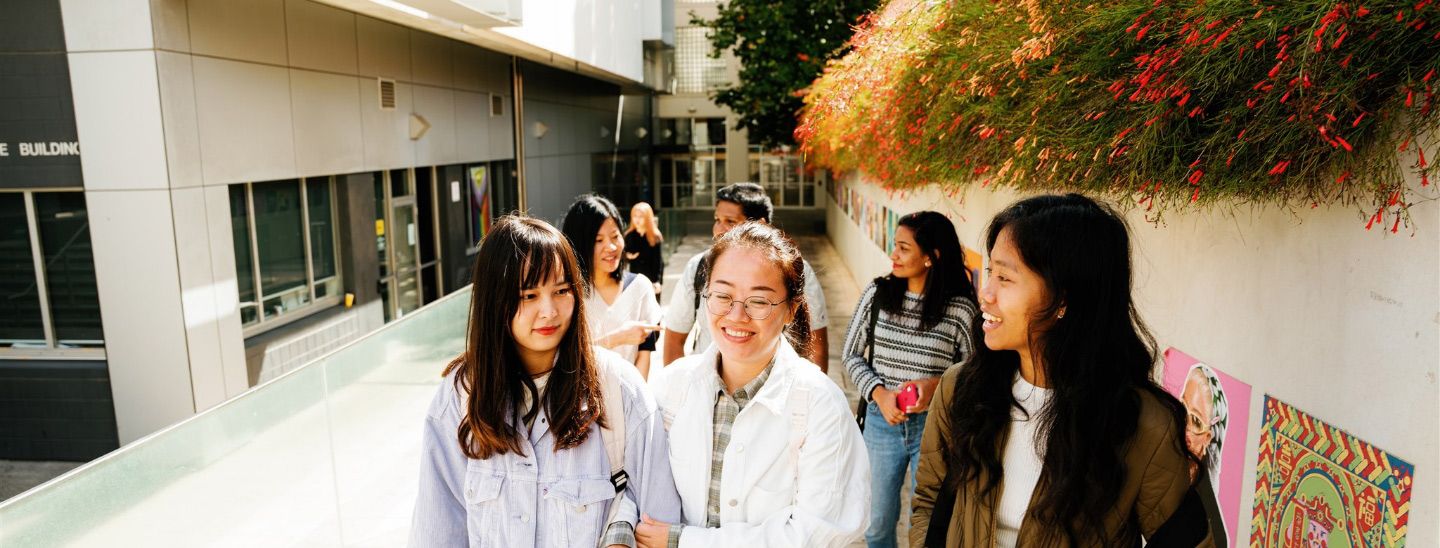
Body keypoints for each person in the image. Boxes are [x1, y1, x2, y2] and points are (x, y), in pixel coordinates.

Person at [911, 194, 1213, 547]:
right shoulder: (962, 389)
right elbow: (930, 503)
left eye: (1005, 278)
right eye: (991, 271)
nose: (985, 293)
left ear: (1064, 299)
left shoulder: (1142, 425)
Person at [410, 216, 681, 547]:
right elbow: (438, 529)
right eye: (528, 295)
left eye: (562, 291)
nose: (549, 311)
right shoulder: (462, 395)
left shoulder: (619, 388)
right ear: (495, 301)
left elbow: (660, 518)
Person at [635, 222, 868, 547]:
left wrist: (683, 541)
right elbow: (633, 485)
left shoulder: (820, 405)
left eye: (759, 301)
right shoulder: (671, 388)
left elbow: (816, 535)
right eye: (723, 295)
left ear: (791, 310)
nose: (736, 315)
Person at [842, 211, 978, 548]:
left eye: (903, 248)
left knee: (931, 525)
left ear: (931, 257)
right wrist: (879, 394)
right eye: (895, 246)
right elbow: (850, 355)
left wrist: (936, 387)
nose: (894, 255)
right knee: (875, 525)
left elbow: (978, 374)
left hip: (937, 429)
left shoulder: (960, 310)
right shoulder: (877, 294)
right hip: (881, 424)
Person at [662, 183, 830, 371]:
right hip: (706, 390)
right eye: (717, 219)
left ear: (760, 225)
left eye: (730, 222)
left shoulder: (798, 271)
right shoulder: (697, 267)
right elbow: (674, 339)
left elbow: (817, 343)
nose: (719, 229)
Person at [563, 194, 663, 377]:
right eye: (598, 240)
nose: (611, 247)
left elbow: (644, 354)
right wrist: (617, 338)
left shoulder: (639, 287)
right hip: (578, 399)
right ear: (579, 244)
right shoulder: (566, 294)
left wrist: (635, 401)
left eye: (615, 236)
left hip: (629, 399)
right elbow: (563, 359)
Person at [626, 201, 666, 298]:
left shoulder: (655, 236)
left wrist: (657, 281)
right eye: (635, 216)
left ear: (648, 218)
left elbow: (659, 261)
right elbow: (624, 254)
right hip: (635, 280)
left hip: (651, 280)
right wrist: (626, 255)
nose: (637, 219)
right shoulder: (629, 235)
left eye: (641, 216)